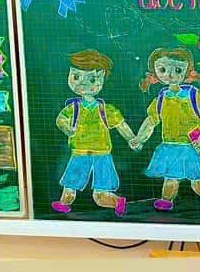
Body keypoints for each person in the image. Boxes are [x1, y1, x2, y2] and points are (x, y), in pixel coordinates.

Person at [132, 47, 200, 216]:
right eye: (162, 70)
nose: (170, 75)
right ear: (154, 73)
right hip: (170, 146)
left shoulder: (195, 95)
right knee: (171, 177)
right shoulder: (161, 97)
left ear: (187, 72)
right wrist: (140, 138)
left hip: (191, 147)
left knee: (197, 181)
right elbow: (151, 120)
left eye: (177, 70)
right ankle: (167, 201)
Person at [52, 50, 137, 216]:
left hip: (102, 154)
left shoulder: (106, 110)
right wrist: (67, 129)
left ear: (103, 79)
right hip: (79, 153)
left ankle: (117, 202)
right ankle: (63, 204)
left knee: (100, 195)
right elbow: (60, 120)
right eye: (76, 77)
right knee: (70, 186)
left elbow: (121, 125)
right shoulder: (73, 108)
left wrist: (132, 138)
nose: (82, 84)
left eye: (91, 79)